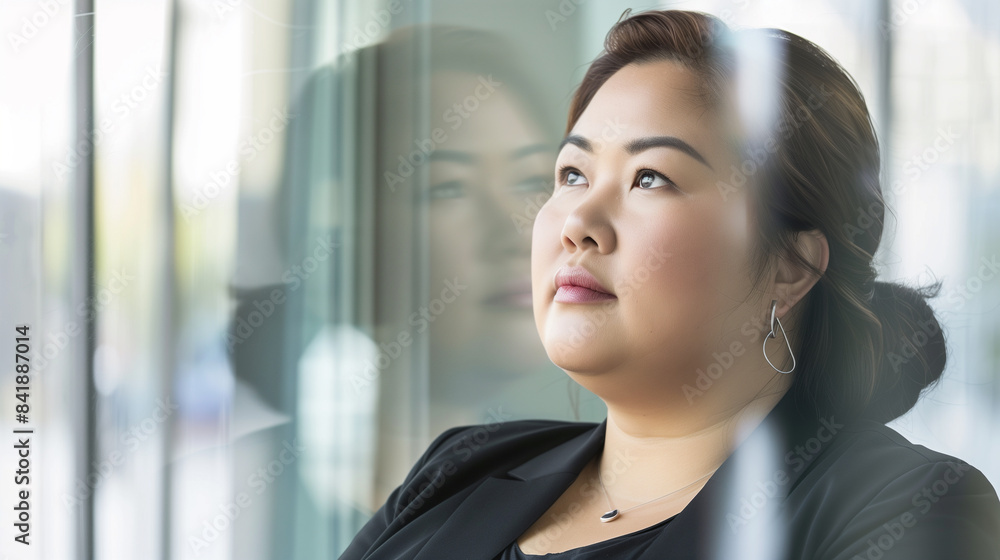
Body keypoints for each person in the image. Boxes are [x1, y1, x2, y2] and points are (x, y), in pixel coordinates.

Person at [338, 8, 1000, 560]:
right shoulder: (460, 468)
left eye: (650, 177)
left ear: (791, 266)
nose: (579, 225)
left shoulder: (907, 506)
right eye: (571, 175)